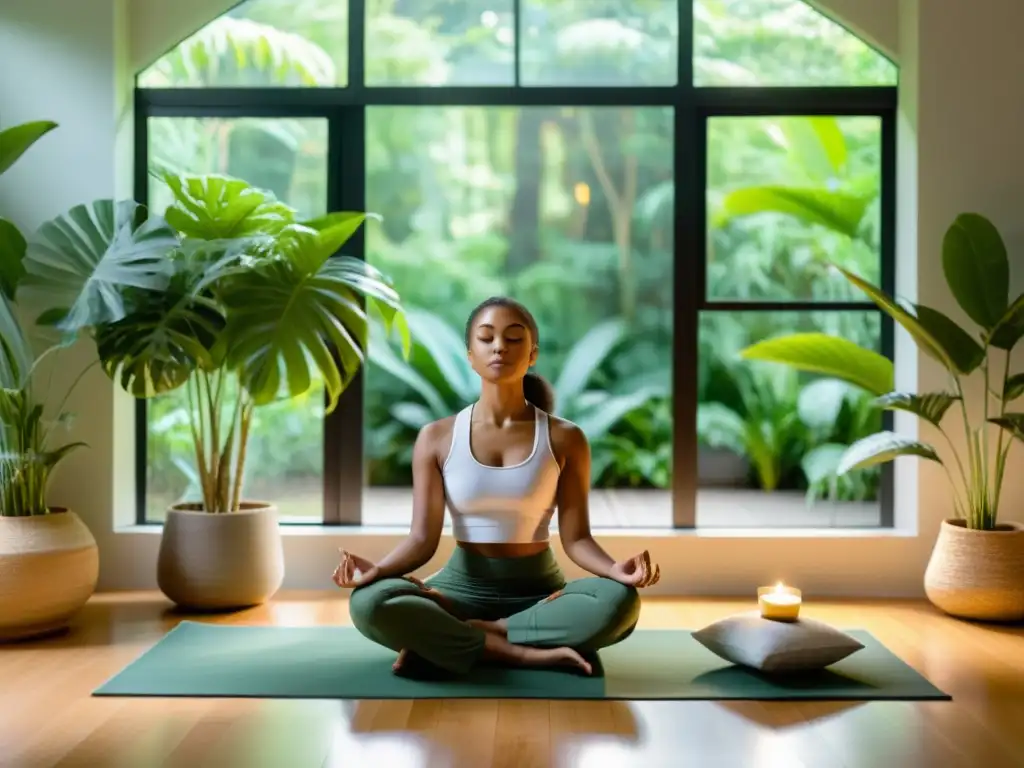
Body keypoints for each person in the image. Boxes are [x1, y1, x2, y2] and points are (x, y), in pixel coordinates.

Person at [333, 296, 661, 677]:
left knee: (619, 603)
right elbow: (421, 540)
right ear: (470, 355)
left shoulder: (567, 438)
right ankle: (521, 653)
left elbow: (577, 539)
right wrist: (377, 571)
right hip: (456, 593)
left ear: (533, 354)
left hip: (540, 595)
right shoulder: (436, 437)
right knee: (370, 603)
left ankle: (468, 639)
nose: (499, 346)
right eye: (486, 338)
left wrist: (616, 570)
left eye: (514, 338)